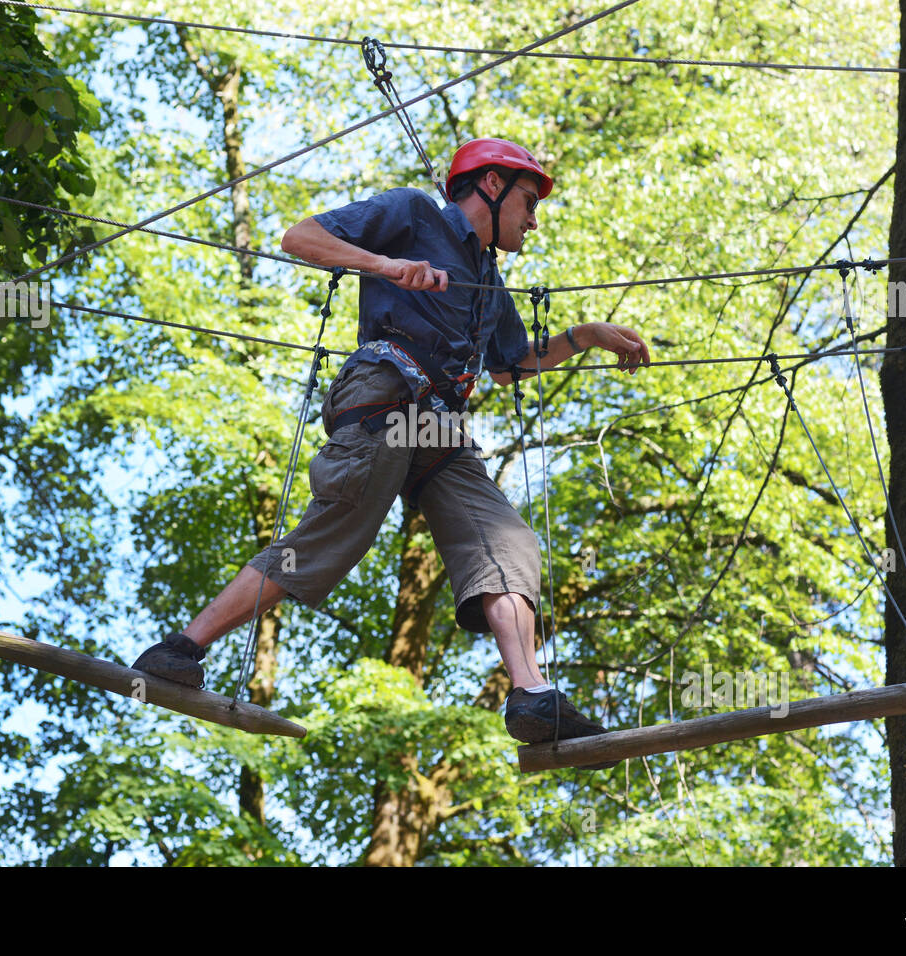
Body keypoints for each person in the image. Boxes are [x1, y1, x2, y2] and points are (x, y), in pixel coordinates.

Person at [131, 138, 650, 754]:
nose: (534, 220)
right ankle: (180, 650)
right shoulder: (413, 215)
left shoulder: (489, 281)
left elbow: (513, 366)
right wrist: (384, 266)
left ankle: (531, 695)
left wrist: (586, 335)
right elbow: (299, 238)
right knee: (333, 538)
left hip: (437, 427)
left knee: (505, 540)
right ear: (491, 186)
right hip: (384, 394)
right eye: (529, 203)